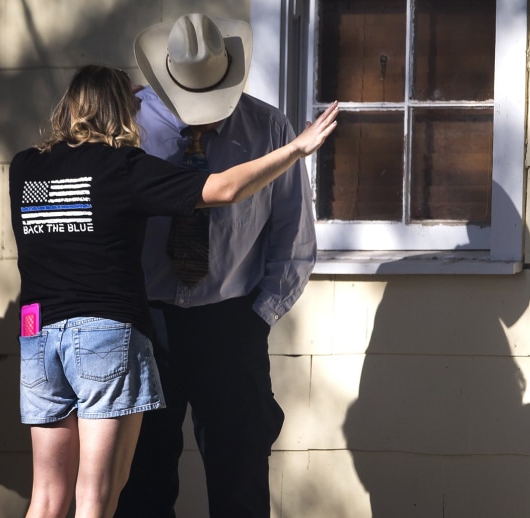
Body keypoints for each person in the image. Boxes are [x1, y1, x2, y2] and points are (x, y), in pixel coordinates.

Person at [9, 64, 337, 518]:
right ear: (126, 110)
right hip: (114, 332)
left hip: (39, 335)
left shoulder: (24, 168)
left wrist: (254, 318)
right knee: (101, 495)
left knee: (46, 496)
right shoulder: (124, 168)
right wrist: (298, 148)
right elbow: (222, 188)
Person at [115, 13, 318, 518]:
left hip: (231, 322)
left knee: (240, 477)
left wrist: (258, 318)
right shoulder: (126, 125)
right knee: (141, 480)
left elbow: (293, 235)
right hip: (145, 323)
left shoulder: (268, 127)